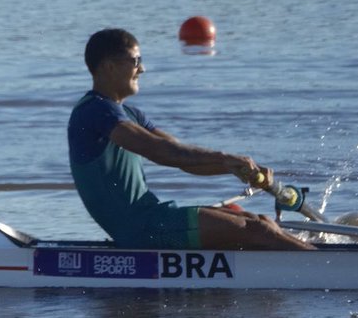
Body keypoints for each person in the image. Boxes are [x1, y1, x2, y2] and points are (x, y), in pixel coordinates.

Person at [68, 28, 313, 251]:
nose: (142, 69)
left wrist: (236, 169)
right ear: (109, 66)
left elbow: (182, 157)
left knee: (259, 221)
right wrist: (225, 158)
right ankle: (328, 267)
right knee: (261, 231)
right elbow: (160, 151)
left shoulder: (131, 114)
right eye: (135, 61)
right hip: (141, 229)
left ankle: (311, 265)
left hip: (153, 217)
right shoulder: (95, 111)